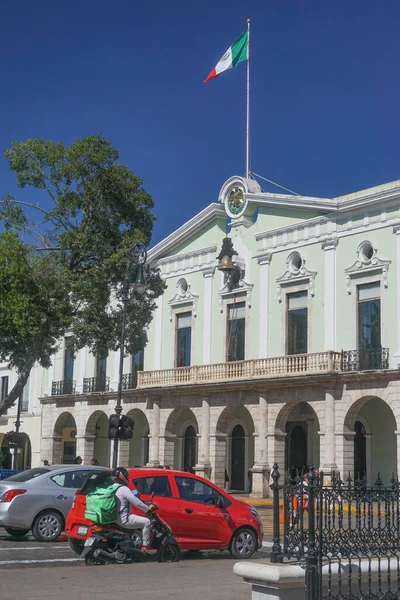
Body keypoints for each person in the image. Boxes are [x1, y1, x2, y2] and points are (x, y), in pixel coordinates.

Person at [112, 467, 157, 555]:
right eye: (126, 476)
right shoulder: (124, 489)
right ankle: (145, 547)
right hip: (124, 519)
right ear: (122, 477)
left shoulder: (112, 487)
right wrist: (147, 508)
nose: (128, 478)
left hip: (114, 518)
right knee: (146, 522)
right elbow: (136, 502)